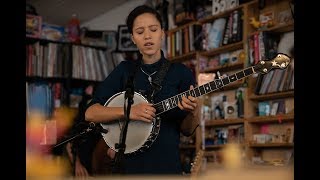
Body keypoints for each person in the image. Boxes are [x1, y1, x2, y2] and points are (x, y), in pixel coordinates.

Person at [84, 5, 200, 175]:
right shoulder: (124, 70)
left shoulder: (181, 72)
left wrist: (193, 111)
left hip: (167, 168)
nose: (147, 36)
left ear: (162, 33)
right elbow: (91, 113)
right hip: (128, 169)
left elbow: (188, 130)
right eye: (140, 32)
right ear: (133, 38)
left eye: (153, 29)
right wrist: (129, 111)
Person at [65, 84, 114, 177]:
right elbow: (69, 142)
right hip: (85, 171)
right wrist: (77, 164)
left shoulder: (108, 126)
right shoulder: (81, 122)